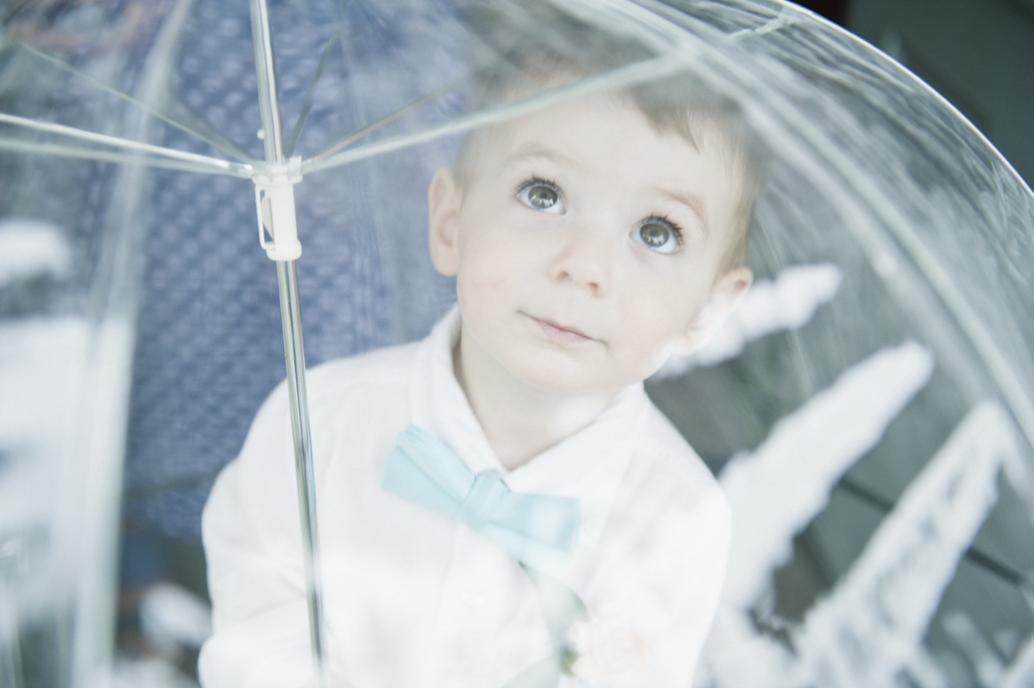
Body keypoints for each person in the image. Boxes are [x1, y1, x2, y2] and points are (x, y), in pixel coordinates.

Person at [199, 29, 763, 688]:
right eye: (543, 194)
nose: (584, 266)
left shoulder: (677, 522)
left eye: (656, 233)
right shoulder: (316, 423)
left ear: (708, 309)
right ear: (450, 224)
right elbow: (256, 621)